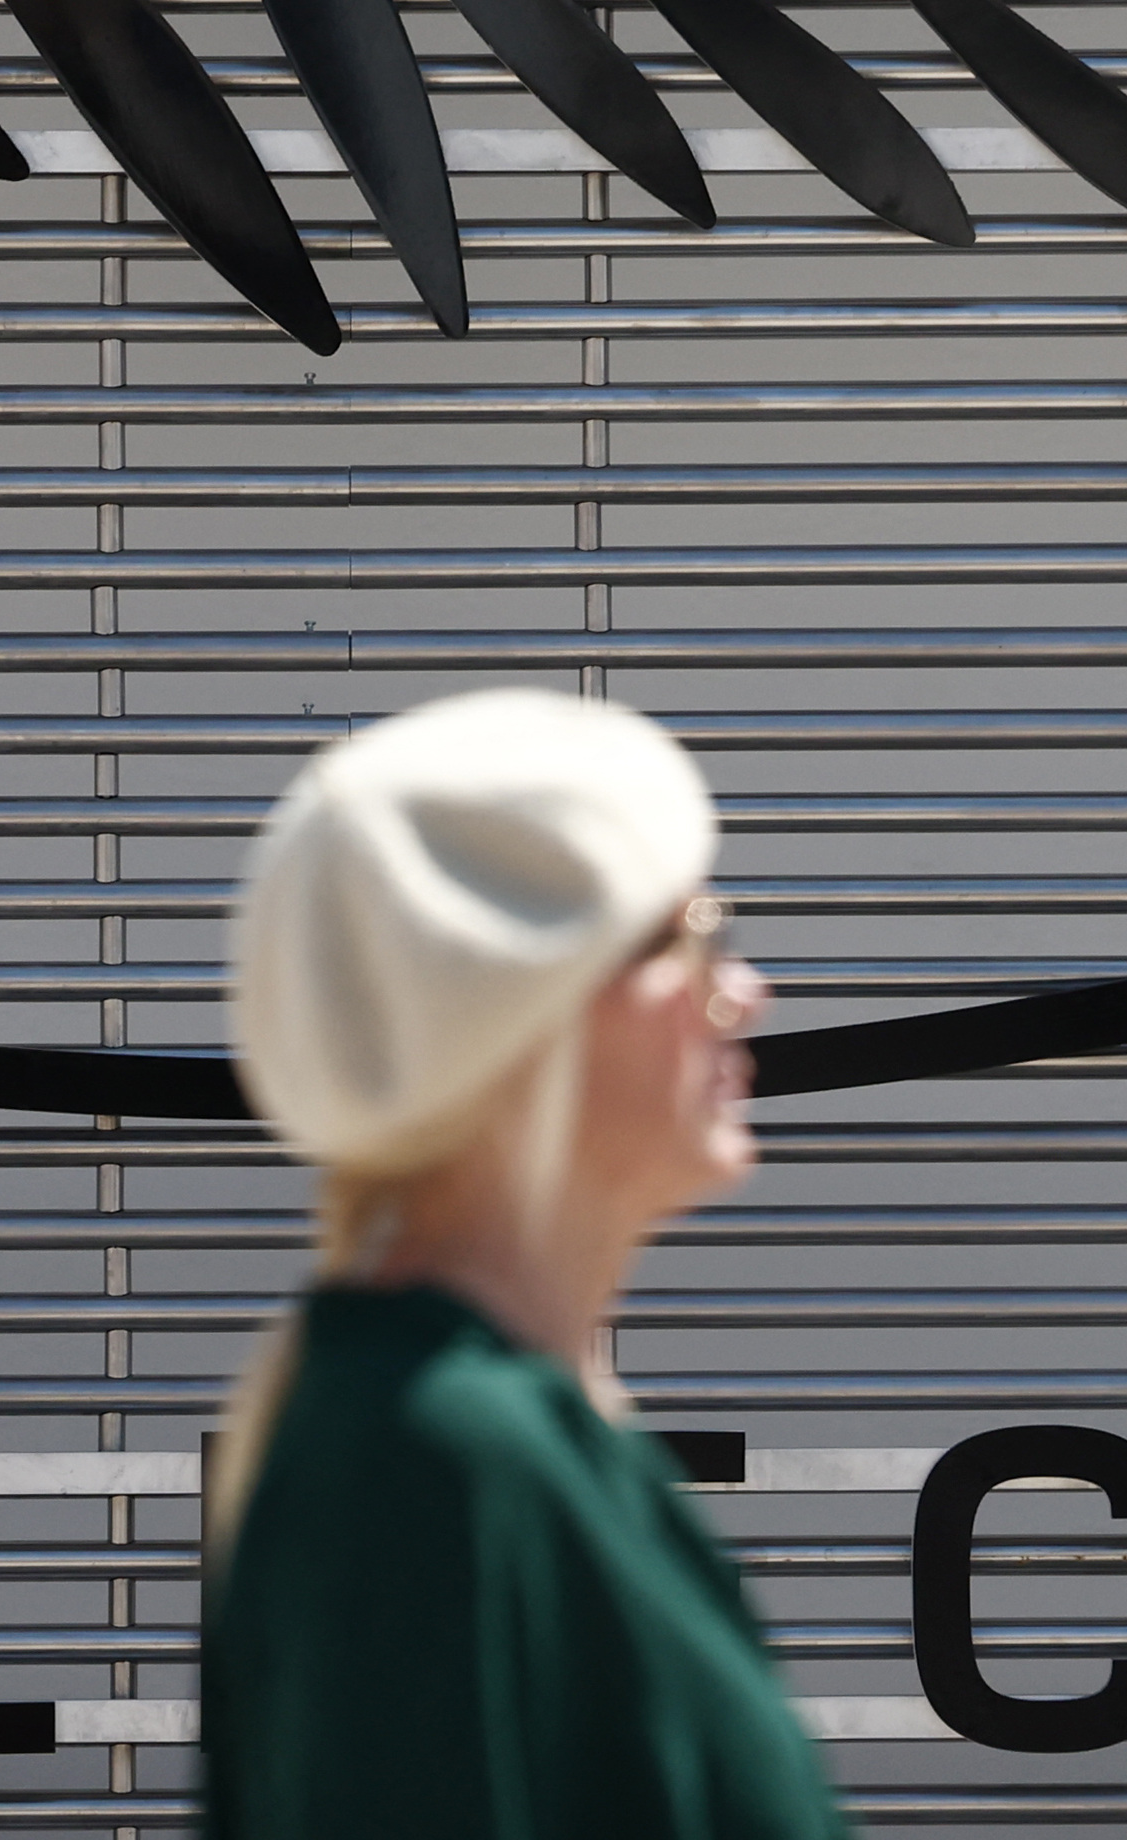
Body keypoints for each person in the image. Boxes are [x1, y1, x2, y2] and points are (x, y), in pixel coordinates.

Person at [198, 687, 849, 1840]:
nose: (746, 991)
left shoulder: (508, 1435)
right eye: (692, 935)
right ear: (531, 1015)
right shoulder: (432, 1459)